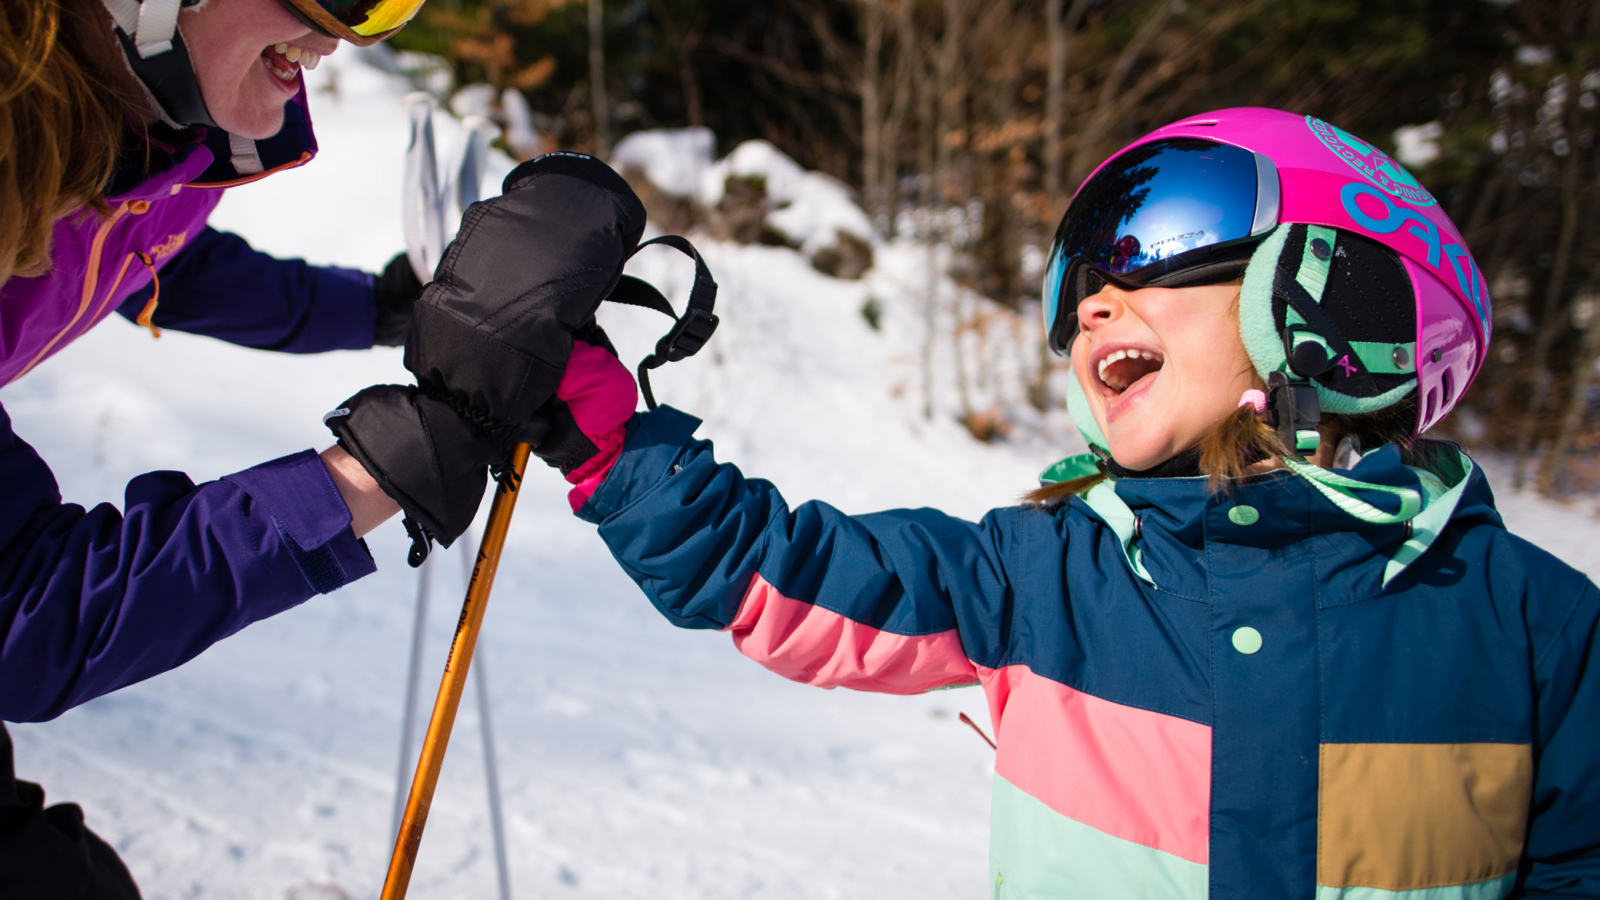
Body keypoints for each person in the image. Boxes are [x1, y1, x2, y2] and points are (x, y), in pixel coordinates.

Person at [531, 108, 1600, 897]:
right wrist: (604, 436)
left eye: (1149, 245)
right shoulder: (1045, 574)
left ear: (1335, 287)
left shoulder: (1530, 629)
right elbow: (779, 573)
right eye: (1076, 275)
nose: (1091, 300)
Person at [0, 0, 650, 893]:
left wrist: (385, 310)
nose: (344, 31)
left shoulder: (102, 146)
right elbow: (27, 614)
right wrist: (383, 463)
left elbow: (144, 256)